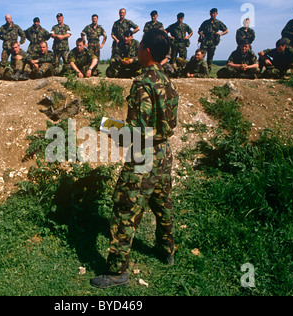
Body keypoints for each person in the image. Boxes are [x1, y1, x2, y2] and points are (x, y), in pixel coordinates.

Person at [90, 28, 179, 289]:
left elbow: (137, 133)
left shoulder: (143, 82)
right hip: (164, 152)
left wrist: (107, 126)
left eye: (140, 45)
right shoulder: (167, 81)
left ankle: (118, 272)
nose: (138, 49)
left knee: (124, 210)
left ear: (147, 50)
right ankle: (167, 250)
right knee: (163, 203)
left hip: (145, 154)